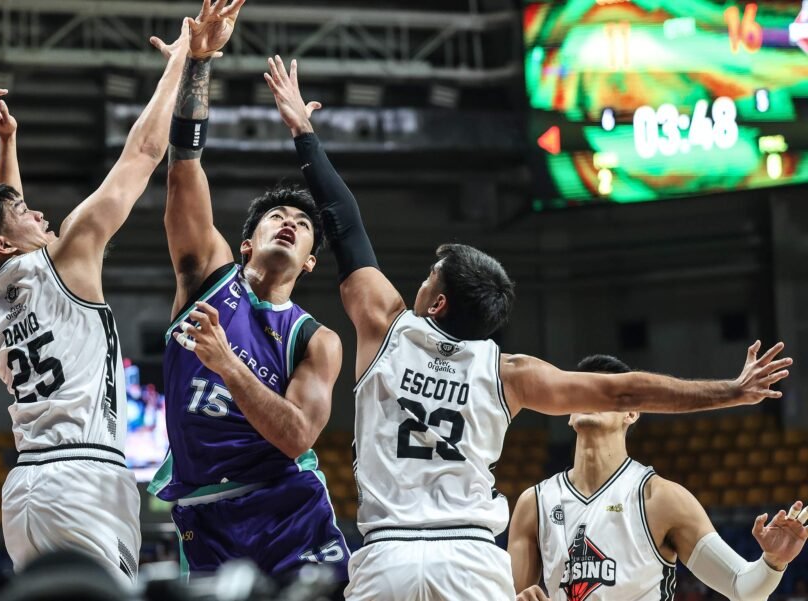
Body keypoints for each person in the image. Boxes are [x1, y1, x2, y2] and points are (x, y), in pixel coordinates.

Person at [261, 54, 794, 600]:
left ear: (438, 302)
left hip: (387, 557)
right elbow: (625, 389)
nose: (418, 284)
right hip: (469, 560)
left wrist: (304, 132)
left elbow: (344, 222)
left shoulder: (386, 325)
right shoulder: (509, 373)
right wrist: (729, 391)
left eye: (428, 278)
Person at [0, 20, 192, 583]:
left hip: (26, 491)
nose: (42, 216)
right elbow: (143, 153)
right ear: (5, 241)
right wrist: (181, 62)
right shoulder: (69, 257)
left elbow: (6, 245)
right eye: (28, 215)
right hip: (85, 477)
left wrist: (8, 145)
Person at [146, 0, 349, 582]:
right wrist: (199, 65)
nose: (289, 221)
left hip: (286, 505)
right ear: (244, 244)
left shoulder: (316, 339)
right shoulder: (206, 277)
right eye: (276, 216)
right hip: (203, 512)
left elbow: (296, 437)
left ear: (310, 262)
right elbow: (184, 166)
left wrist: (227, 364)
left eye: (302, 223)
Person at [509, 354, 808, 601]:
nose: (590, 398)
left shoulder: (661, 499)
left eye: (604, 392)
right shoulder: (534, 503)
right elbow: (513, 595)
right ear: (568, 412)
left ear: (632, 414)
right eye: (582, 391)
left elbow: (742, 588)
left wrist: (773, 562)